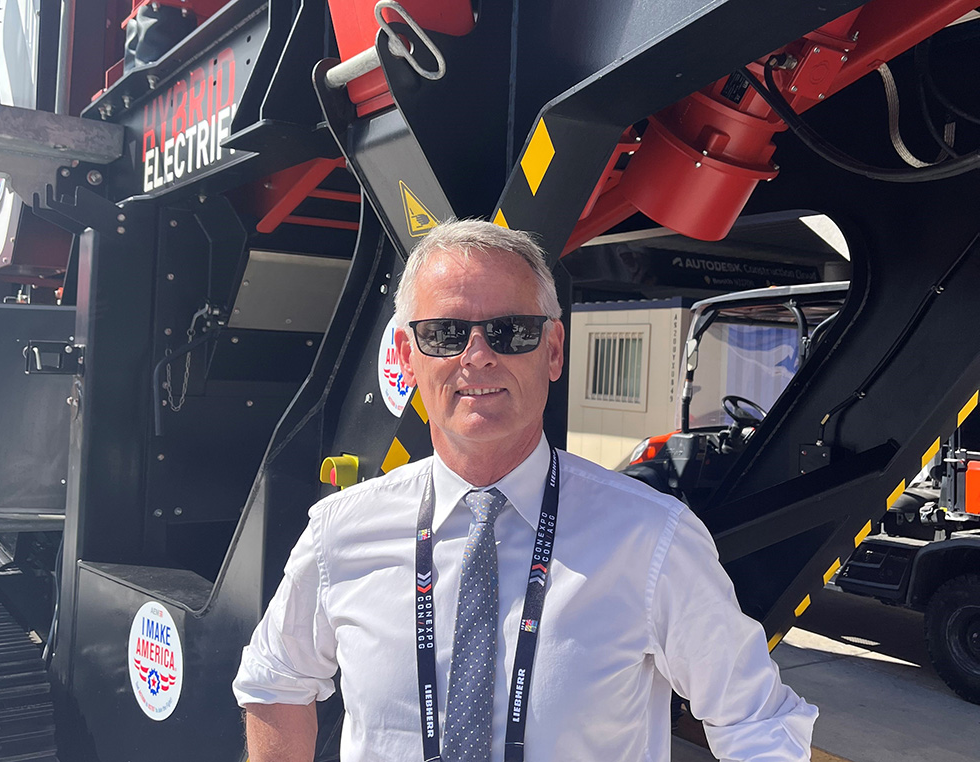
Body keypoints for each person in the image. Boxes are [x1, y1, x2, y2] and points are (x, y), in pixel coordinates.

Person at [233, 220, 817, 762]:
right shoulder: (340, 532)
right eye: (445, 333)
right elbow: (275, 678)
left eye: (510, 332)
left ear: (555, 350)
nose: (478, 354)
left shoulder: (652, 539)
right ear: (409, 358)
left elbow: (757, 723)